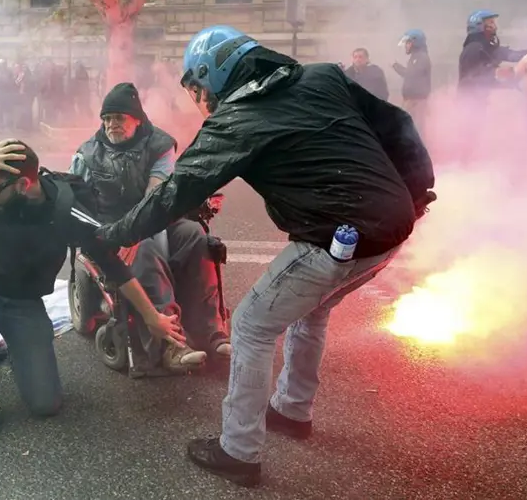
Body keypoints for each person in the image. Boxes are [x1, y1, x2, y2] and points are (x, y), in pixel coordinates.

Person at [96, 25, 436, 487]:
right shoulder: (322, 77)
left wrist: (114, 233)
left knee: (252, 324)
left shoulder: (238, 117)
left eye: (195, 87)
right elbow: (398, 125)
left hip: (333, 240)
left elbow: (175, 191)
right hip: (393, 230)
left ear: (211, 76)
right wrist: (417, 190)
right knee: (309, 311)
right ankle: (293, 410)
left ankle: (238, 451)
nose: (197, 98)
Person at [0, 140, 185, 431]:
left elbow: (112, 265)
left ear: (23, 185)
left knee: (46, 405)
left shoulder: (67, 212)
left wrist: (151, 316)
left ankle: (22, 353)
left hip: (22, 305)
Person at [70, 82, 230, 374]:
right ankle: (170, 344)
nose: (111, 124)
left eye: (118, 117)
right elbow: (74, 198)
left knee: (196, 237)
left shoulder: (160, 145)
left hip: (152, 214)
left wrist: (137, 230)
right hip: (112, 225)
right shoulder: (88, 153)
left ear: (137, 118)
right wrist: (122, 234)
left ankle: (211, 333)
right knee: (147, 247)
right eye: (106, 118)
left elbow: (155, 197)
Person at [392, 29, 432, 132]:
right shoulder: (416, 57)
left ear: (415, 42)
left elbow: (412, 75)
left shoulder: (421, 57)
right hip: (413, 99)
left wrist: (396, 66)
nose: (406, 45)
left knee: (415, 128)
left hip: (416, 100)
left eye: (408, 43)